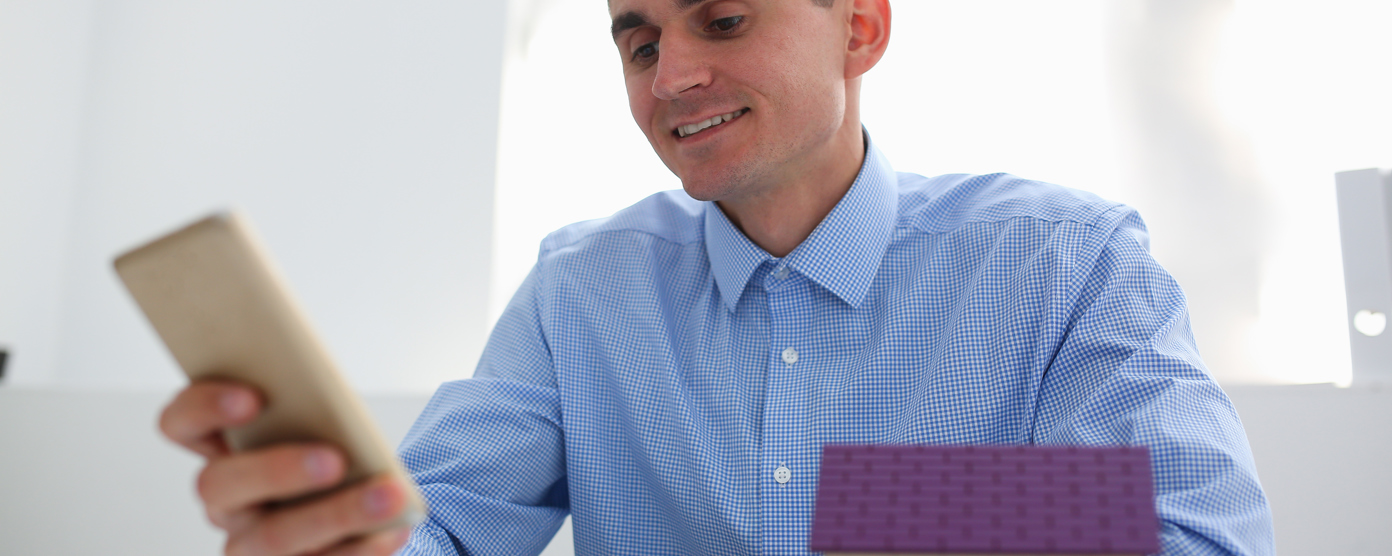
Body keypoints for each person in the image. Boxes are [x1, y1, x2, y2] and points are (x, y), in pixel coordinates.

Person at [158, 0, 1276, 554]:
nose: (672, 74)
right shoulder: (582, 287)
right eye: (636, 41)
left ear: (864, 26)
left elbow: (1197, 534)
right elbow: (445, 529)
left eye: (724, 17)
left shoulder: (1064, 260)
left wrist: (869, 506)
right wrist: (342, 529)